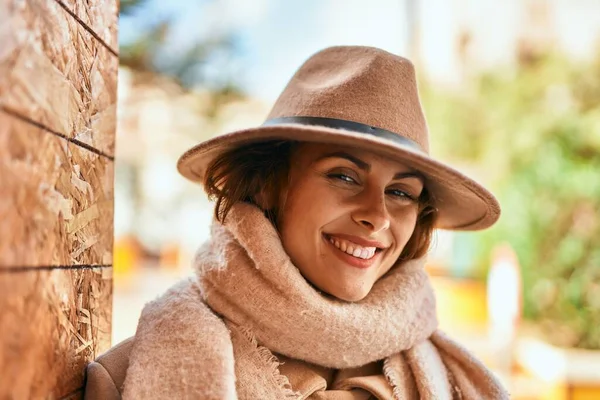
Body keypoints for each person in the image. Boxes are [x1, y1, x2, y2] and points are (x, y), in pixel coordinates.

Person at [85, 46, 509, 399]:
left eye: (401, 192)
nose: (377, 215)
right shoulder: (130, 376)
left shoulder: (455, 382)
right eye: (344, 176)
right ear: (270, 185)